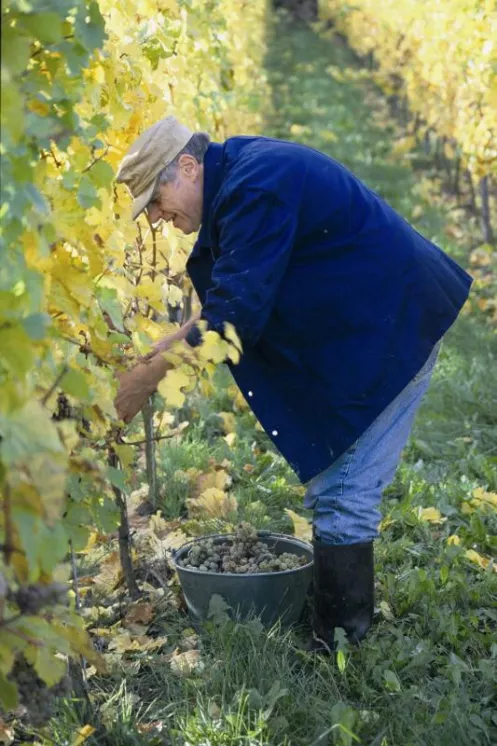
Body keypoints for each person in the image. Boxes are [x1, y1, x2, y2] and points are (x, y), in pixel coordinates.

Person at [115, 116, 472, 649]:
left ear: (188, 167)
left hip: (393, 320)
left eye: (158, 201)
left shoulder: (256, 187)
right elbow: (237, 288)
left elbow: (236, 317)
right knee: (336, 476)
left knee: (344, 486)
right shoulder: (241, 177)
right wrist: (169, 345)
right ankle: (336, 625)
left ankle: (340, 645)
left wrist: (143, 380)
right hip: (363, 318)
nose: (161, 219)